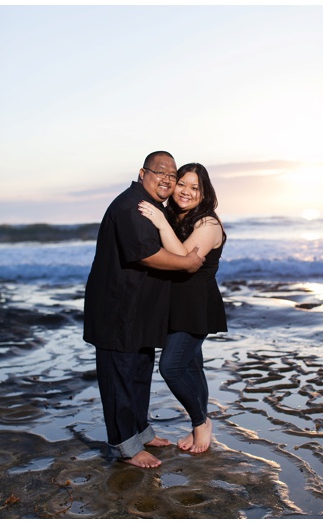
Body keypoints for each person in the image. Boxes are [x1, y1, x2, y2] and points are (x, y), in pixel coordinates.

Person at [83, 151, 205, 469]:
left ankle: (141, 431)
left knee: (139, 373)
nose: (167, 180)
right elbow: (147, 255)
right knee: (119, 377)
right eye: (159, 173)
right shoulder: (132, 206)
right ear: (142, 173)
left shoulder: (152, 207)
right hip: (117, 310)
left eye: (171, 176)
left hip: (138, 312)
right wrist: (187, 263)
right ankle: (125, 446)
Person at [138, 162, 227, 454]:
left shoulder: (208, 224)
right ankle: (199, 423)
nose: (186, 192)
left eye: (195, 187)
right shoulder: (179, 217)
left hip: (195, 306)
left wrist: (162, 224)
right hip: (175, 305)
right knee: (192, 365)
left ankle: (201, 422)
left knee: (171, 367)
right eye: (182, 184)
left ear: (204, 193)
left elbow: (185, 260)